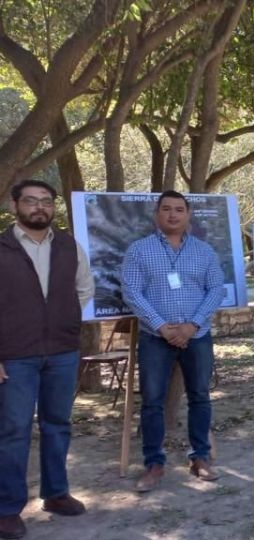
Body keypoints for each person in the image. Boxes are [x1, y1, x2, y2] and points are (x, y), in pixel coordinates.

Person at [0, 180, 95, 539]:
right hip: (14, 355)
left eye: (45, 202)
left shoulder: (69, 246)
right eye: (30, 201)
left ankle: (55, 494)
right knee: (13, 431)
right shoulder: (3, 246)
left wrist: (65, 319)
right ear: (15, 206)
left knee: (58, 424)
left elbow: (84, 288)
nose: (39, 207)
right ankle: (7, 508)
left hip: (61, 351)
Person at [121, 190, 226, 491]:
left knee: (200, 396)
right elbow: (132, 292)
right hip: (156, 338)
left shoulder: (204, 251)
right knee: (152, 401)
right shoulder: (138, 250)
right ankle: (154, 463)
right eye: (166, 209)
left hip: (197, 336)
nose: (172, 215)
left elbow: (216, 289)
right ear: (157, 214)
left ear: (187, 214)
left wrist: (192, 326)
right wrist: (163, 327)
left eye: (179, 209)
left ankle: (200, 458)